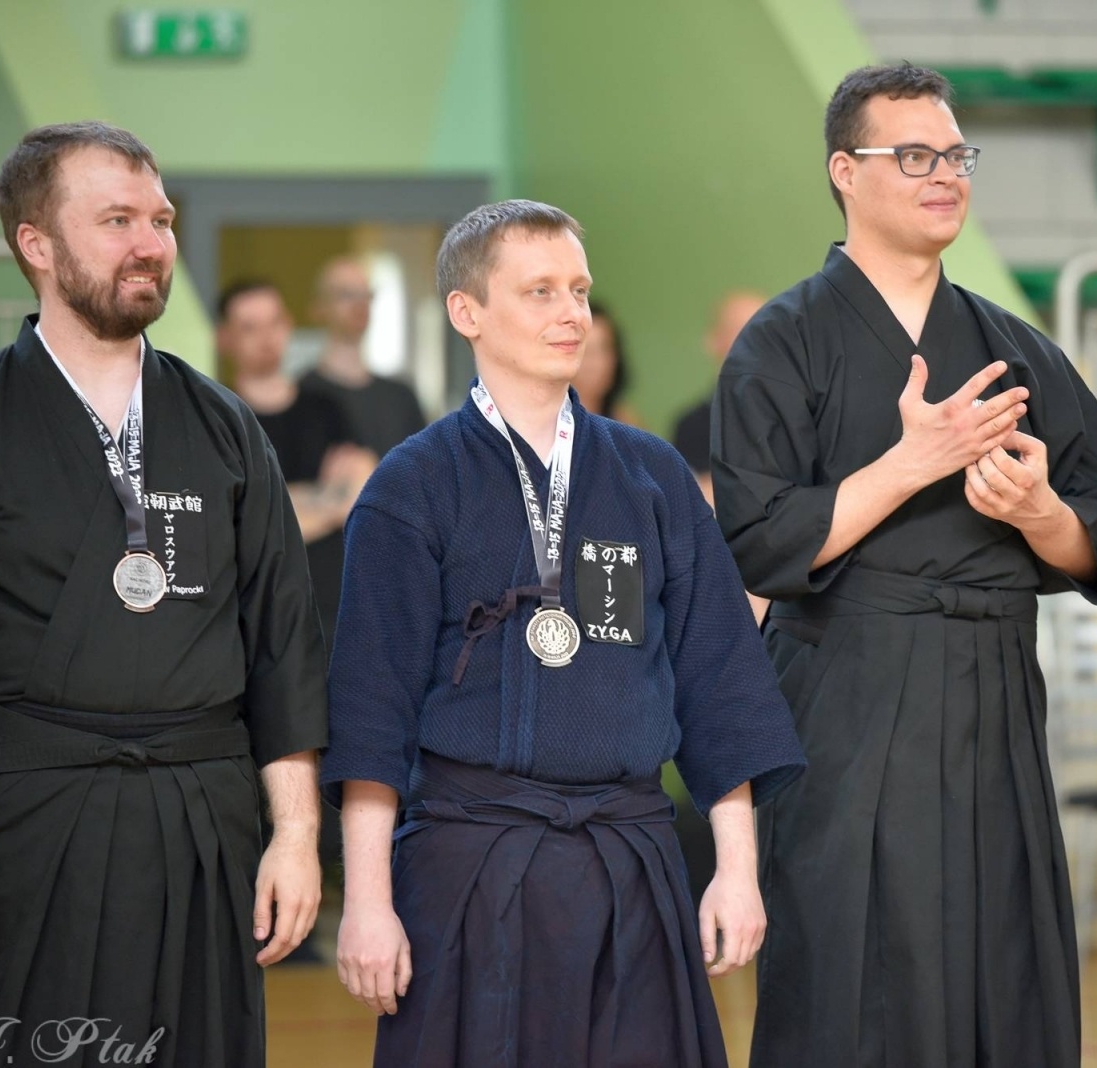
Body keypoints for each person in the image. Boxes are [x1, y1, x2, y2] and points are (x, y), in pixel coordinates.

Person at [713, 63, 1097, 1067]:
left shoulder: (1012, 347)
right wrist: (912, 464)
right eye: (913, 156)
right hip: (847, 694)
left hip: (992, 691)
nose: (945, 175)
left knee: (1004, 960)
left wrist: (1038, 514)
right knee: (849, 973)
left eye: (955, 156)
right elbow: (761, 540)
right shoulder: (781, 343)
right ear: (844, 172)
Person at [322, 199, 806, 1068]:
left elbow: (721, 678)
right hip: (469, 863)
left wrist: (737, 870)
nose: (572, 312)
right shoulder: (413, 484)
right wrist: (366, 899)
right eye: (540, 290)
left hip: (632, 860)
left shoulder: (651, 475)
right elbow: (370, 710)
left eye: (579, 290)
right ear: (467, 311)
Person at [0, 122, 327, 1067]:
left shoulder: (226, 428)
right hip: (20, 831)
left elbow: (282, 648)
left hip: (200, 824)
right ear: (37, 245)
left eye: (160, 220)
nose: (150, 244)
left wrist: (295, 835)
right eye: (117, 220)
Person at [217, 279, 377, 644]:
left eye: (274, 322)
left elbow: (362, 494)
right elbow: (232, 524)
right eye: (249, 327)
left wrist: (272, 504)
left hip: (334, 609)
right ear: (225, 338)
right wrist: (326, 496)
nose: (266, 337)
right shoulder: (218, 420)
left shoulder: (326, 408)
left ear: (288, 325)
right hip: (256, 615)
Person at [299, 255, 428, 457]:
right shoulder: (302, 395)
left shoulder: (401, 397)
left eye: (366, 295)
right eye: (346, 295)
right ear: (319, 308)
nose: (359, 304)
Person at [672, 289, 766, 504]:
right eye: (740, 330)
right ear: (713, 341)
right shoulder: (692, 427)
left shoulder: (799, 418)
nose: (755, 341)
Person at [570, 297, 644, 426]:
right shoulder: (544, 424)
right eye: (585, 350)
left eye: (603, 349)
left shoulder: (626, 424)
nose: (595, 363)